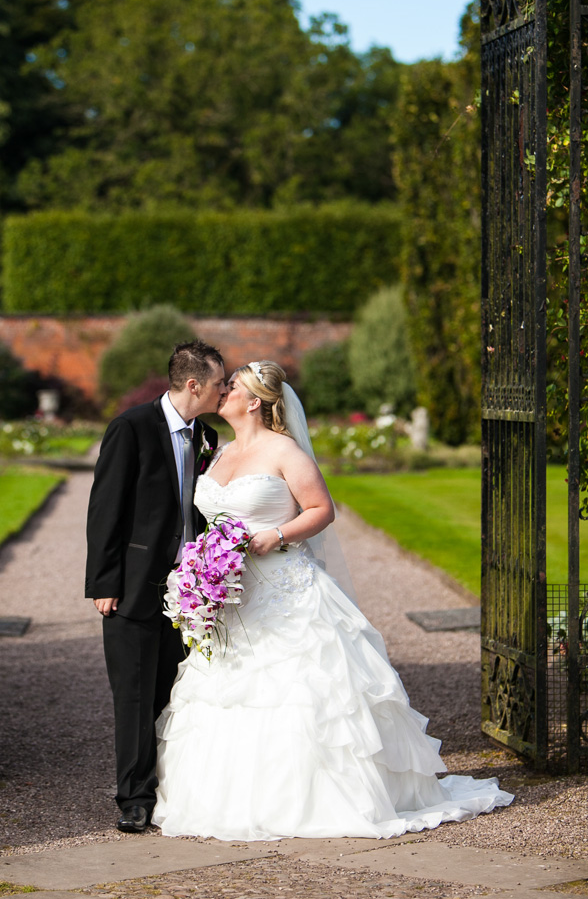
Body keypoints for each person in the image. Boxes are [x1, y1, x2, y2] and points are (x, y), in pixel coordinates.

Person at [153, 360, 513, 841]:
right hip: (231, 594)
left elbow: (322, 509)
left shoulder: (284, 451)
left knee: (300, 692)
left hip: (283, 589)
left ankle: (316, 800)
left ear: (255, 400)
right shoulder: (216, 452)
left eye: (231, 386)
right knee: (228, 690)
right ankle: (228, 798)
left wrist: (275, 535)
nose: (222, 392)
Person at [85, 340, 225, 833]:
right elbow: (105, 509)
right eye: (218, 383)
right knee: (134, 696)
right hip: (134, 587)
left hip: (189, 592)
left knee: (174, 692)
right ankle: (134, 798)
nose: (224, 389)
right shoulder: (131, 428)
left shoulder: (206, 435)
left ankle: (172, 789)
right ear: (193, 385)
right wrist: (104, 582)